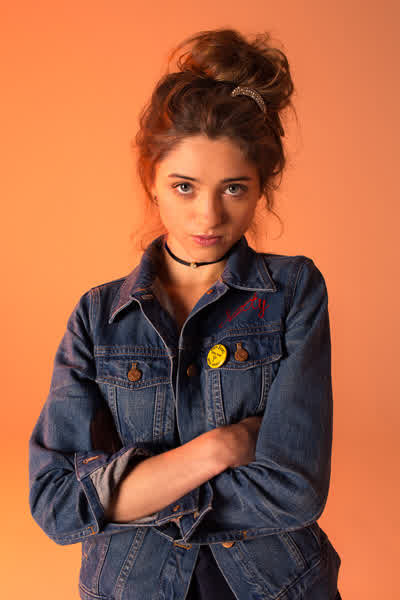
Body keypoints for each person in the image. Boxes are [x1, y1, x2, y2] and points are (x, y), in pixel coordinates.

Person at [29, 28, 342, 600]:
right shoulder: (97, 317)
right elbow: (56, 504)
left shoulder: (293, 291)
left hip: (277, 585)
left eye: (233, 188)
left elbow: (294, 489)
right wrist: (216, 449)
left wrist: (125, 495)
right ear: (151, 181)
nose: (208, 215)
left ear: (261, 187)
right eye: (184, 187)